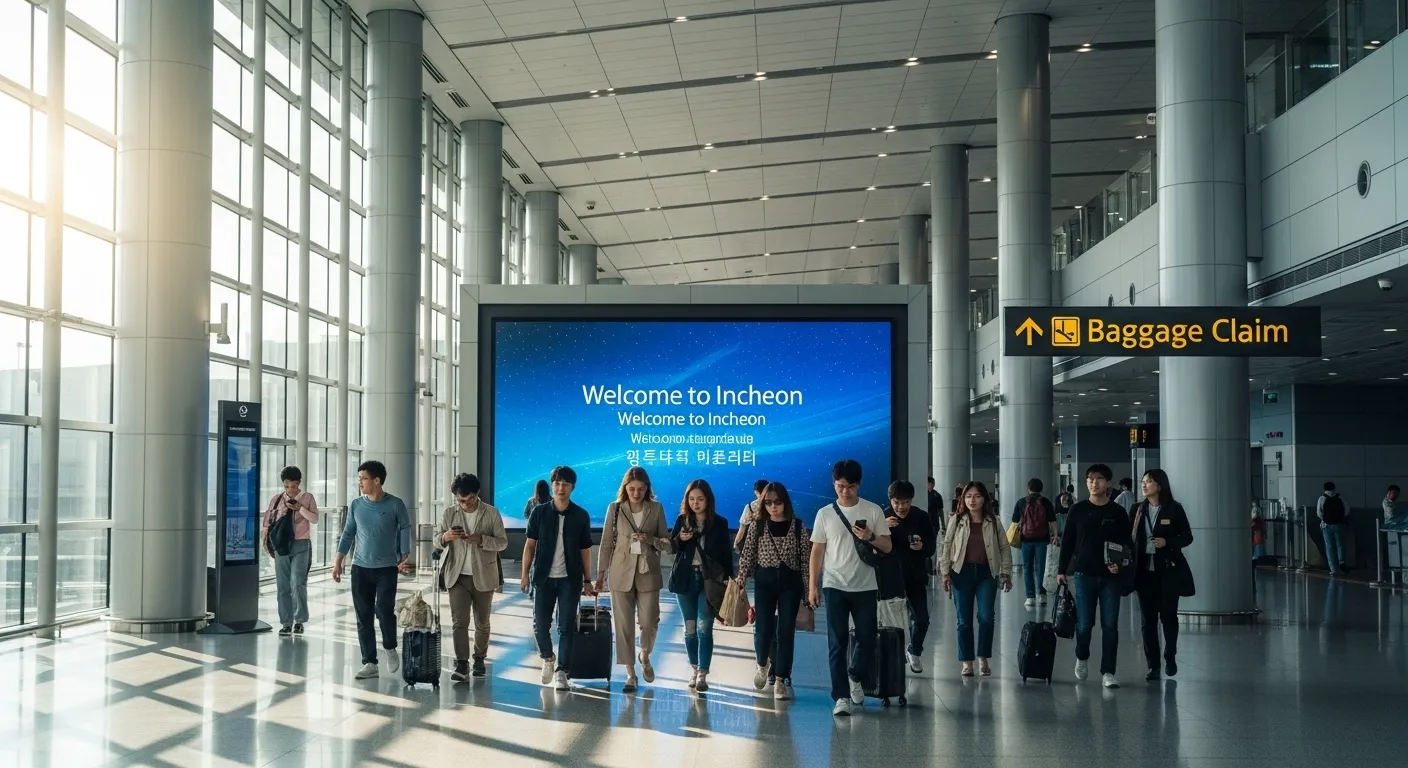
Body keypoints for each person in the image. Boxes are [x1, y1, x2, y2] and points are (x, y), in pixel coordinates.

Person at [808, 459, 893, 717]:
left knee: (867, 639)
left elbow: (888, 546)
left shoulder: (873, 510)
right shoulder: (825, 514)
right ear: (834, 484)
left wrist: (870, 537)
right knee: (837, 643)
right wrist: (813, 585)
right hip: (834, 585)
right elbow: (817, 550)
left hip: (865, 585)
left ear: (860, 484)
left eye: (851, 486)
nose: (845, 491)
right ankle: (841, 696)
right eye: (840, 486)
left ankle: (855, 675)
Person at [1057, 463, 1134, 689]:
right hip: (1083, 574)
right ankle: (1082, 656)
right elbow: (1068, 542)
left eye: (1099, 479)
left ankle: (1108, 671)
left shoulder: (1117, 512)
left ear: (1108, 483)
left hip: (1111, 576)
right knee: (1084, 624)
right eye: (1090, 479)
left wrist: (1120, 566)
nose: (1094, 483)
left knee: (1110, 625)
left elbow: (1126, 544)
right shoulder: (1077, 510)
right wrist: (1062, 570)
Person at [333, 460, 412, 680]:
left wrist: (405, 551)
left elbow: (405, 526)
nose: (360, 483)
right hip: (360, 568)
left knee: (384, 610)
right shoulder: (357, 505)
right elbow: (348, 533)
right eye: (359, 479)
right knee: (363, 617)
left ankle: (389, 647)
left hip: (386, 568)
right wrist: (338, 561)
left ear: (376, 481)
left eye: (364, 478)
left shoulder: (395, 504)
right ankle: (369, 662)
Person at [595, 467, 671, 692]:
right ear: (625, 488)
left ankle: (644, 655)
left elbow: (666, 543)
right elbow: (607, 542)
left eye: (640, 489)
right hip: (620, 572)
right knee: (623, 626)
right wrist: (600, 574)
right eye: (631, 489)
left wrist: (650, 539)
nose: (636, 493)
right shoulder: (615, 509)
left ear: (647, 488)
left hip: (648, 571)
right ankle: (630, 674)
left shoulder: (656, 509)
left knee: (649, 621)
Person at [521, 466, 596, 691]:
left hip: (569, 580)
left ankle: (562, 671)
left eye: (565, 484)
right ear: (552, 485)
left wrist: (587, 580)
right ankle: (548, 658)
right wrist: (524, 574)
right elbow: (530, 545)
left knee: (566, 627)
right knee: (540, 626)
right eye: (556, 483)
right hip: (543, 577)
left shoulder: (581, 515)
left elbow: (585, 550)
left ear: (572, 487)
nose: (560, 487)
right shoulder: (539, 513)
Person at [737, 481, 811, 700]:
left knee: (786, 632)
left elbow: (805, 560)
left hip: (791, 582)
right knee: (763, 629)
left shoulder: (797, 526)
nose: (773, 507)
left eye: (777, 502)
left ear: (785, 502)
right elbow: (747, 554)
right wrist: (740, 581)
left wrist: (808, 590)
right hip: (765, 580)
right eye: (767, 503)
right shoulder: (757, 525)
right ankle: (762, 664)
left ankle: (780, 679)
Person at [435, 473, 508, 681]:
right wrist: (445, 537)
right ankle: (462, 663)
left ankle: (479, 658)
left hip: (483, 574)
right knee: (459, 621)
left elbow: (502, 543)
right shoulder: (450, 513)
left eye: (469, 500)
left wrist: (481, 540)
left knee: (482, 621)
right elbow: (436, 540)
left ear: (478, 494)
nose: (465, 504)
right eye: (460, 500)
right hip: (456, 575)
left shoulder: (491, 513)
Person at [939, 481, 1012, 676]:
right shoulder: (956, 519)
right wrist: (945, 573)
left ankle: (983, 657)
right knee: (963, 620)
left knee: (986, 617)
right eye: (968, 496)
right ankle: (966, 661)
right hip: (961, 572)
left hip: (987, 573)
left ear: (984, 499)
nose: (972, 500)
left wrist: (1006, 572)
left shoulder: (993, 521)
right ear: (963, 499)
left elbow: (1004, 547)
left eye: (977, 496)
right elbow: (946, 545)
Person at [1129, 468, 1194, 681]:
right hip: (1144, 572)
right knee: (1148, 621)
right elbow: (1129, 538)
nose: (1144, 485)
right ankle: (1153, 665)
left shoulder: (1174, 509)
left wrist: (1168, 542)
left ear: (1160, 485)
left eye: (1149, 481)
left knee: (1168, 617)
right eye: (1143, 481)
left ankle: (1170, 655)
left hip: (1168, 571)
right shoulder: (1137, 509)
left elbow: (1187, 537)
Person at [668, 479, 733, 693]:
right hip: (685, 579)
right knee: (689, 628)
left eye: (700, 499)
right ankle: (694, 670)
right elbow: (672, 548)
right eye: (692, 499)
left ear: (708, 500)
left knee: (704, 626)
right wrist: (680, 538)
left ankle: (703, 673)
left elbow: (726, 554)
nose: (696, 503)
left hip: (709, 581)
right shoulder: (682, 520)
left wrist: (730, 580)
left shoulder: (720, 523)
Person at [882, 480, 936, 673]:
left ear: (911, 501)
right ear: (891, 500)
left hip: (915, 576)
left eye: (905, 502)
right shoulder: (882, 516)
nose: (901, 507)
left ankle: (914, 651)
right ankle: (888, 660)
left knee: (921, 618)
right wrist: (881, 527)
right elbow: (870, 545)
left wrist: (922, 547)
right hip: (889, 578)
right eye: (897, 502)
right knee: (889, 624)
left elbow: (932, 545)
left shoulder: (920, 517)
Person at [263, 466, 319, 637]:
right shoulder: (276, 500)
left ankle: (299, 620)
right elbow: (268, 522)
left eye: (293, 486)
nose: (290, 490)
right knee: (282, 585)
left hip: (301, 544)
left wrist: (299, 508)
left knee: (297, 582)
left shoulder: (307, 498)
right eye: (287, 486)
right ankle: (286, 622)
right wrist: (266, 543)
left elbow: (314, 519)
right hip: (281, 545)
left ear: (299, 483)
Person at [1011, 477, 1058, 607]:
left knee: (1027, 568)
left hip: (1026, 540)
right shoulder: (1045, 502)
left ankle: (1030, 597)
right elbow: (1052, 520)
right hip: (1042, 540)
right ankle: (1041, 595)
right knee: (1041, 568)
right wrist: (1055, 535)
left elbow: (1014, 520)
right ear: (1041, 489)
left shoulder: (1021, 502)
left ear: (1028, 489)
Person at [1317, 481, 1349, 575]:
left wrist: (1325, 519)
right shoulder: (1339, 497)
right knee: (1340, 544)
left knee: (1329, 546)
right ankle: (1341, 561)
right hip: (1339, 524)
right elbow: (1347, 509)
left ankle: (1333, 568)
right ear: (1334, 488)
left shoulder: (1322, 498)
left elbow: (1319, 512)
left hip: (1327, 525)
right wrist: (1342, 517)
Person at [734, 478, 769, 551]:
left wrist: (736, 543)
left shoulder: (750, 507)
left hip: (753, 544)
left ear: (756, 492)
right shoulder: (777, 505)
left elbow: (742, 528)